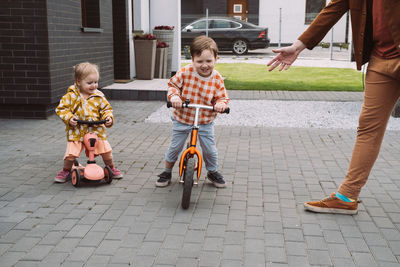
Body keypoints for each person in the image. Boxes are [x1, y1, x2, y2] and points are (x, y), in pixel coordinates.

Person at [267, 0, 400, 215]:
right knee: (368, 128)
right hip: (381, 59)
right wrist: (298, 46)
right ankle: (347, 196)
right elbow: (333, 9)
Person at [156, 35, 229, 188]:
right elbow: (173, 85)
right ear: (192, 59)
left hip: (204, 120)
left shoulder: (216, 78)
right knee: (175, 147)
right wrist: (175, 97)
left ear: (216, 58)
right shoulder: (185, 72)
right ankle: (167, 171)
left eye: (209, 61)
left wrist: (221, 104)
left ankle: (212, 171)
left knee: (210, 150)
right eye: (199, 61)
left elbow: (222, 97)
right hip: (182, 116)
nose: (204, 65)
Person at [55, 62, 123, 183]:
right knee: (71, 154)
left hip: (96, 130)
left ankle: (111, 167)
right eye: (89, 83)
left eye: (96, 82)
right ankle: (66, 170)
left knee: (106, 151)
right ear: (78, 81)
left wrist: (108, 118)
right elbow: (61, 109)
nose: (93, 85)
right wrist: (69, 118)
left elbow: (107, 109)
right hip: (77, 130)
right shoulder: (71, 96)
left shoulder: (99, 96)